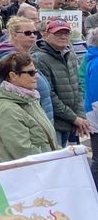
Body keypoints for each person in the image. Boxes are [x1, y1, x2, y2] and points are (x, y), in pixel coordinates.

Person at [0, 52, 58, 163]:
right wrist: (55, 161)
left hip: (41, 168)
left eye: (35, 71)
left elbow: (47, 141)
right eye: (30, 73)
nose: (36, 76)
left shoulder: (30, 99)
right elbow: (23, 152)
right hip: (26, 174)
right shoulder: (7, 110)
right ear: (13, 76)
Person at [33, 18, 90, 148]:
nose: (63, 36)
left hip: (69, 120)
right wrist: (74, 118)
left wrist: (79, 115)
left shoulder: (69, 54)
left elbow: (78, 87)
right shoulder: (39, 58)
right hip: (53, 121)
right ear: (46, 35)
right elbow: (49, 94)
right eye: (58, 33)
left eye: (66, 33)